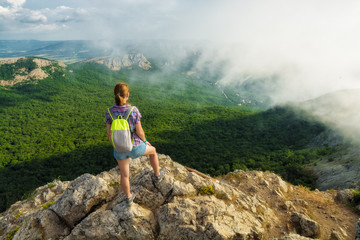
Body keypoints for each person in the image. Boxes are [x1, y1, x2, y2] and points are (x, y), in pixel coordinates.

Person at [105, 82, 165, 206]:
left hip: (119, 150)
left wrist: (117, 146)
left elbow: (109, 134)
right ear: (127, 95)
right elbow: (140, 131)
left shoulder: (109, 112)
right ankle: (158, 176)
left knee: (124, 175)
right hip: (134, 147)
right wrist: (144, 141)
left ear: (115, 95)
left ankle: (128, 198)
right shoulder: (133, 110)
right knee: (153, 151)